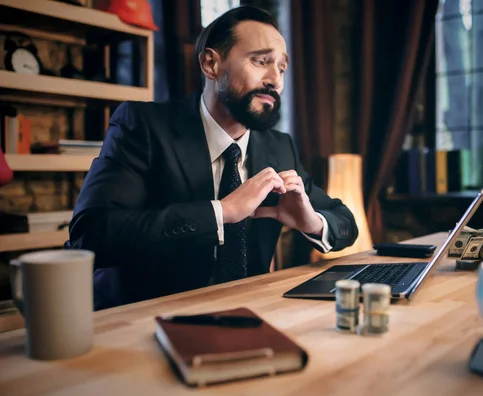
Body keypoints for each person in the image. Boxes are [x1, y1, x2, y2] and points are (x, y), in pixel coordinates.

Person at [66, 6, 358, 310]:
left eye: (281, 68)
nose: (276, 80)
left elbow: (346, 222)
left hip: (247, 317)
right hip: (141, 322)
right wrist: (222, 212)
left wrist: (311, 221)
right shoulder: (142, 126)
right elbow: (90, 237)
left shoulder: (280, 148)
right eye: (261, 61)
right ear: (211, 64)